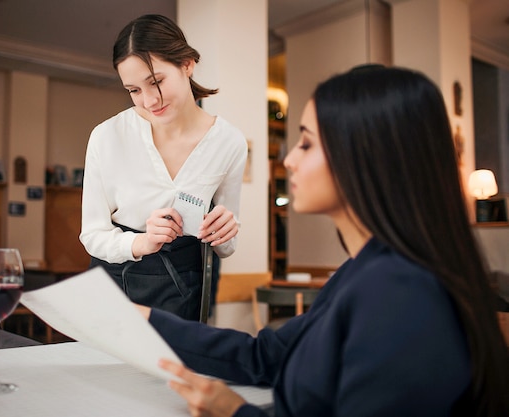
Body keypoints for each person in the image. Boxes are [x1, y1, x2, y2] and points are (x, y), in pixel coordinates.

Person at [137, 65, 509, 416]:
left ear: (366, 158)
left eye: (307, 144)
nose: (288, 161)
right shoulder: (361, 271)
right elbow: (263, 356)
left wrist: (235, 412)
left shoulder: (403, 294)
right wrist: (145, 320)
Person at [79, 14, 247, 321]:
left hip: (184, 288)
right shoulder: (107, 137)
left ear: (187, 64)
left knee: (174, 369)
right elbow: (92, 234)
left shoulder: (229, 142)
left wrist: (226, 231)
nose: (149, 100)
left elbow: (227, 245)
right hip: (112, 287)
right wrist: (143, 241)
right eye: (134, 90)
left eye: (156, 81)